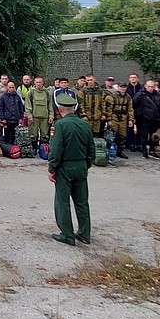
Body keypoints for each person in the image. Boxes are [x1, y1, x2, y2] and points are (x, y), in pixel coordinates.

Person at [47, 93, 95, 246]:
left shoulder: (60, 125)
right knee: (82, 202)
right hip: (81, 166)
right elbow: (91, 149)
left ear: (60, 109)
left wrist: (52, 168)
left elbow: (56, 149)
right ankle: (84, 233)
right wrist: (86, 164)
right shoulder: (85, 125)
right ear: (74, 108)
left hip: (64, 167)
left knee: (62, 202)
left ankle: (67, 234)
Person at [133, 79, 160, 160]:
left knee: (153, 136)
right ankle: (144, 151)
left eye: (152, 86)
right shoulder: (140, 94)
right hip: (143, 118)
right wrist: (135, 117)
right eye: (149, 86)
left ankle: (152, 151)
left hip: (155, 119)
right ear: (145, 86)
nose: (150, 88)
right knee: (144, 135)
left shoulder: (157, 95)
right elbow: (134, 105)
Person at [107, 83, 134, 159]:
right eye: (121, 87)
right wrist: (109, 119)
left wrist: (131, 119)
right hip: (114, 118)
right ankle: (111, 152)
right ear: (118, 87)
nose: (122, 88)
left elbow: (130, 109)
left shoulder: (128, 97)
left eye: (124, 87)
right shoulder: (112, 96)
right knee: (112, 136)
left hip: (123, 119)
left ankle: (119, 151)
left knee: (122, 136)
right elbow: (108, 108)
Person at [0, 80, 24, 145]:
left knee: (14, 136)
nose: (11, 89)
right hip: (7, 120)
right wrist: (2, 118)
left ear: (14, 87)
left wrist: (21, 118)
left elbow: (20, 108)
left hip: (16, 120)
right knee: (6, 136)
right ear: (7, 88)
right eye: (10, 87)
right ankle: (7, 149)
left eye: (12, 87)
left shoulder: (17, 97)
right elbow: (0, 108)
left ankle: (14, 149)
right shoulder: (3, 97)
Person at [26, 78, 52, 146]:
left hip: (44, 117)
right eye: (37, 82)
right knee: (33, 134)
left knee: (44, 134)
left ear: (43, 83)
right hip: (34, 117)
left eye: (40, 82)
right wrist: (29, 116)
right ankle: (34, 148)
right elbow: (28, 105)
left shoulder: (47, 92)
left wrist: (51, 116)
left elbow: (50, 105)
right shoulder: (30, 92)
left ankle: (43, 148)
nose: (38, 84)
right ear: (34, 83)